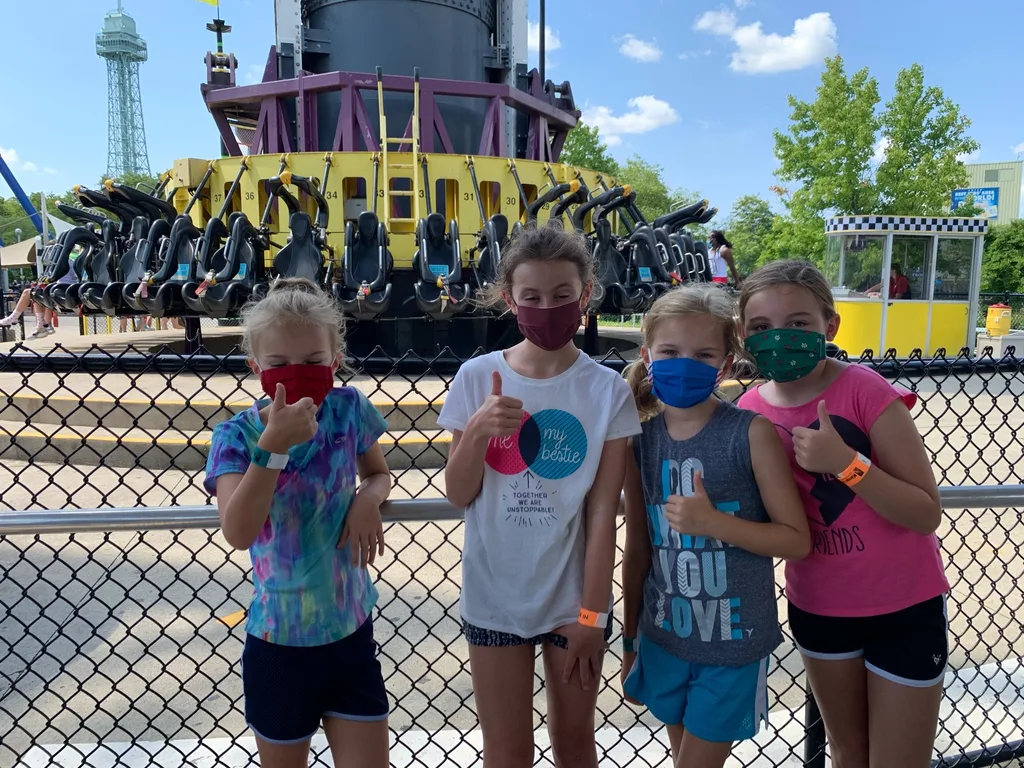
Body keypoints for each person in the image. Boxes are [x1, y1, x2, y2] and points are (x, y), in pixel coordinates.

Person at [437, 224, 642, 768]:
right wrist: (479, 430)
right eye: (531, 297)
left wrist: (593, 615)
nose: (546, 307)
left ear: (585, 294)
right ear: (510, 300)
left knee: (575, 743)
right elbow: (460, 493)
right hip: (494, 596)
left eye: (561, 296)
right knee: (506, 751)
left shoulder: (607, 390)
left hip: (572, 601)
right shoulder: (477, 376)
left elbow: (603, 514)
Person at [737, 260, 948, 768]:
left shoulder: (864, 390)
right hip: (821, 610)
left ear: (829, 326)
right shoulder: (746, 411)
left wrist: (848, 467)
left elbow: (925, 513)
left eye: (798, 323)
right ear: (743, 335)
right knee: (848, 753)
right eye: (761, 328)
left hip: (904, 607)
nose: (780, 337)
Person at [203, 277, 393, 768]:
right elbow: (238, 531)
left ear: (333, 361)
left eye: (312, 362)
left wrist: (367, 499)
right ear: (255, 367)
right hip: (279, 645)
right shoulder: (236, 437)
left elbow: (377, 473)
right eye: (280, 364)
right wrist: (272, 448)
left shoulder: (349, 410)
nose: (298, 373)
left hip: (350, 632)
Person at [619, 284, 810, 767]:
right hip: (663, 636)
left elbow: (796, 539)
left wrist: (714, 524)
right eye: (670, 352)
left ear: (724, 364)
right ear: (647, 356)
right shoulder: (639, 441)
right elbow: (638, 549)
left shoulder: (750, 433)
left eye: (703, 354)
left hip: (733, 642)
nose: (686, 362)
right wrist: (630, 639)